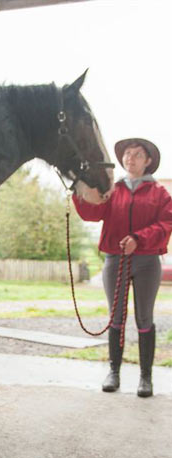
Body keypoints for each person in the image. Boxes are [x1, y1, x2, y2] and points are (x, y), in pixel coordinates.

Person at [73, 138, 172, 397]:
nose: (131, 158)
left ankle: (145, 378)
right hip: (115, 260)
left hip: (147, 261)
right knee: (115, 318)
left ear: (148, 161)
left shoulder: (160, 193)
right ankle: (113, 373)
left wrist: (139, 238)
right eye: (128, 154)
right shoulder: (113, 190)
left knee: (144, 318)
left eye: (138, 154)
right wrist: (77, 192)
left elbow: (166, 224)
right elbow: (93, 213)